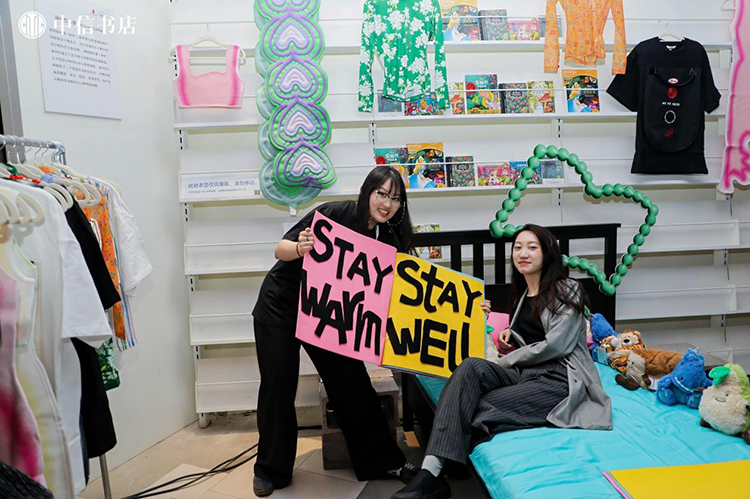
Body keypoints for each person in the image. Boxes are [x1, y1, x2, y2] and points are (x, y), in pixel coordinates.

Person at [393, 224, 613, 499]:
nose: (523, 253)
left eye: (532, 247)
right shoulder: (520, 298)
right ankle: (431, 473)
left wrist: (507, 360)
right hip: (524, 373)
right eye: (518, 247)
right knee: (470, 367)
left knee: (475, 405)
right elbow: (529, 337)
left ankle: (435, 473)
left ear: (547, 253)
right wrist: (490, 323)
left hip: (559, 378)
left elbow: (557, 344)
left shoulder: (567, 289)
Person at [251, 166, 419, 496]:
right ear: (367, 191)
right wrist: (300, 248)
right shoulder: (335, 213)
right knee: (277, 388)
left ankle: (383, 461)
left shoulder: (387, 237)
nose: (387, 204)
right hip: (281, 307)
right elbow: (280, 249)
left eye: (396, 198)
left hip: (327, 316)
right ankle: (270, 470)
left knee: (352, 381)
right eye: (382, 194)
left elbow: (401, 288)